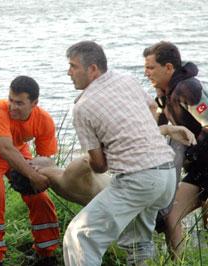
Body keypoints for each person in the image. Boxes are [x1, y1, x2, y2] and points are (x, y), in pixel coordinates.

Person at [61, 41, 177, 266]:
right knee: (138, 242)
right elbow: (153, 108)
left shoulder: (82, 106)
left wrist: (91, 161)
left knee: (79, 236)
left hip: (139, 180)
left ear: (92, 69)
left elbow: (99, 166)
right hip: (166, 174)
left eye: (73, 66)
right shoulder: (126, 80)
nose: (69, 72)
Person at [0, 75, 60, 266]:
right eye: (11, 100)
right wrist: (32, 175)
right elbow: (5, 149)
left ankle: (46, 254)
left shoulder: (44, 120)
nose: (12, 106)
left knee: (40, 197)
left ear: (34, 103)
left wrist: (40, 177)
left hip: (17, 150)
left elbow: (46, 160)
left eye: (19, 103)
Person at [143, 41, 208, 258]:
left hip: (204, 163)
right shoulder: (165, 93)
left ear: (169, 67)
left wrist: (190, 153)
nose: (146, 73)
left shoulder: (188, 88)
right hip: (200, 170)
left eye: (151, 68)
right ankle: (178, 262)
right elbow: (158, 129)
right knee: (170, 216)